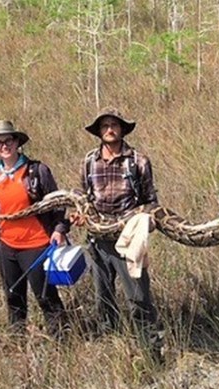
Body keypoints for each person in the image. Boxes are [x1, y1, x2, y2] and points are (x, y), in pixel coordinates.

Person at [0, 120, 69, 339]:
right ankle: (17, 342)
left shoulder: (37, 171)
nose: (3, 146)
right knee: (13, 297)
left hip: (37, 245)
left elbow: (58, 203)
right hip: (6, 247)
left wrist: (59, 229)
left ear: (17, 142)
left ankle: (63, 342)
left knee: (45, 296)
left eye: (7, 140)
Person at [77, 107, 163, 360]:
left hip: (129, 240)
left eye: (114, 125)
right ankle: (110, 348)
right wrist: (80, 215)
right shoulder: (89, 161)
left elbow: (150, 200)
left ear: (122, 129)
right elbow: (84, 197)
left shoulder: (138, 160)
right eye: (104, 126)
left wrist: (146, 219)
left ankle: (151, 349)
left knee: (138, 296)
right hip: (98, 240)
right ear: (99, 132)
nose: (109, 129)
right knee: (103, 297)